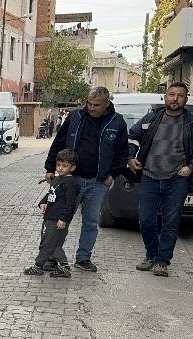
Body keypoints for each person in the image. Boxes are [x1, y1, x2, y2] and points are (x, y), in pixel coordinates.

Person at [44, 86, 129, 272]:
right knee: (60, 219)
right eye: (89, 103)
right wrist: (50, 168)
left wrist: (113, 174)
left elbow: (123, 152)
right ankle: (52, 257)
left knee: (90, 223)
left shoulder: (117, 122)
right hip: (70, 181)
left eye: (96, 105)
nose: (91, 108)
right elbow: (58, 141)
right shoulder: (75, 117)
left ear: (107, 104)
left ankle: (83, 258)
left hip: (97, 182)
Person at [127, 82, 192, 277]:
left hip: (176, 179)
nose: (175, 99)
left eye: (180, 95)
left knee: (171, 222)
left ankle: (162, 261)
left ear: (185, 99)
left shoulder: (191, 123)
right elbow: (132, 136)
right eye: (171, 94)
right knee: (146, 220)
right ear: (165, 96)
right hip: (150, 176)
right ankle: (151, 255)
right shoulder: (151, 118)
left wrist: (190, 167)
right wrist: (130, 158)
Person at [24, 149, 81, 278]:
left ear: (72, 168)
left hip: (57, 219)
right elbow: (50, 193)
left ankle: (39, 266)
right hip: (49, 217)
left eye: (64, 166)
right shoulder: (57, 179)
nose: (60, 168)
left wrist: (63, 219)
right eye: (58, 165)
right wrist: (42, 203)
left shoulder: (70, 183)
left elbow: (70, 204)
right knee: (52, 244)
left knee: (48, 243)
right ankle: (63, 267)